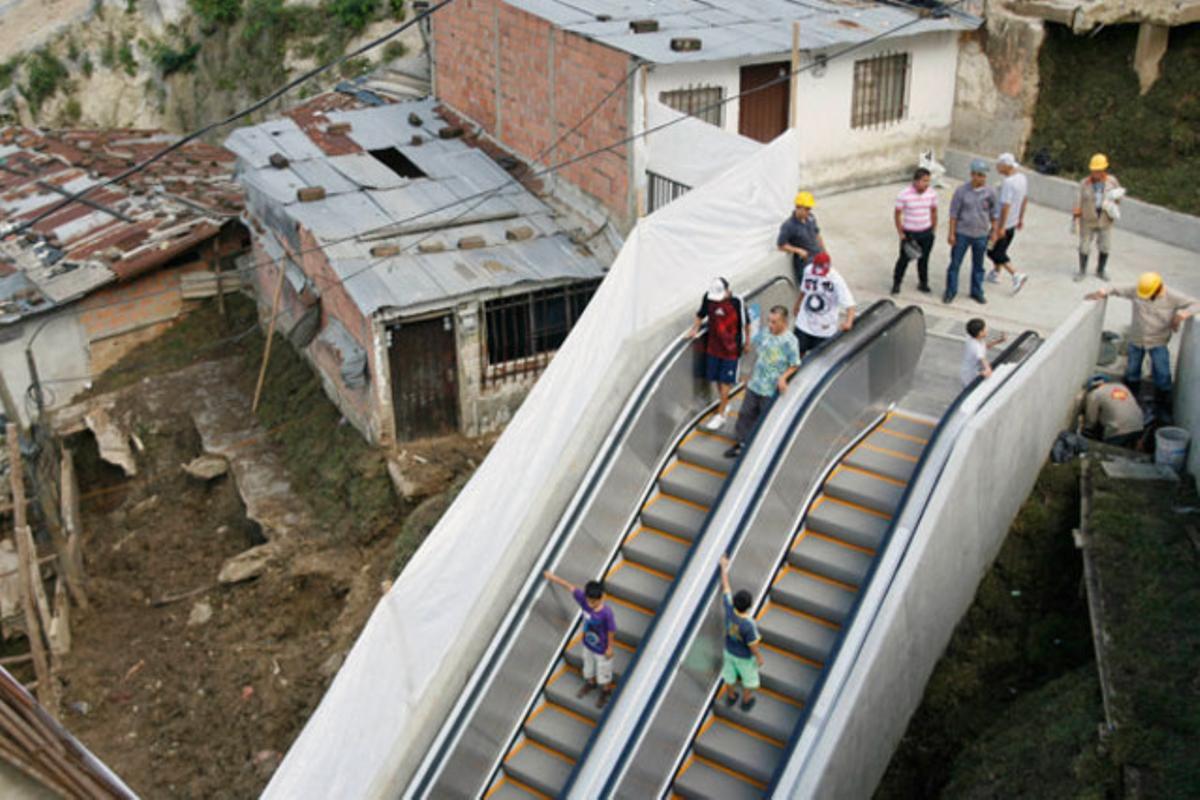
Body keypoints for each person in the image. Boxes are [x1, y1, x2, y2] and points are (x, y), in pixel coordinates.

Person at [1086, 272, 1195, 420]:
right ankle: (1131, 400)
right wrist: (1101, 292)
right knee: (1132, 371)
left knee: (1162, 374)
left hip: (1158, 342)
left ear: (1158, 289)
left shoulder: (1172, 296)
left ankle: (1161, 407)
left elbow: (1196, 303)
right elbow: (1114, 288)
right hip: (1136, 341)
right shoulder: (1137, 289)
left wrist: (1183, 314)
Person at [724, 306, 800, 459]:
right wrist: (748, 374)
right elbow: (756, 352)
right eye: (769, 321)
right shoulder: (765, 333)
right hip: (755, 383)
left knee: (764, 418)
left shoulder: (790, 341)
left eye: (774, 322)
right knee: (745, 414)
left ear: (784, 322)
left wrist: (783, 377)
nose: (770, 325)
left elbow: (795, 363)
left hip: (771, 389)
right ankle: (741, 443)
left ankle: (761, 448)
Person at [542, 571, 617, 708]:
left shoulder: (606, 613)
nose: (590, 604)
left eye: (594, 602)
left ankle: (606, 690)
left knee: (603, 670)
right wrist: (553, 577)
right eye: (589, 601)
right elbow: (570, 587)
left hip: (602, 648)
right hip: (588, 644)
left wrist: (609, 647)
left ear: (602, 598)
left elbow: (611, 630)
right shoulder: (584, 600)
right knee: (588, 666)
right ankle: (591, 682)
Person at [687, 278, 749, 431]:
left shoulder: (736, 302)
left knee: (725, 381)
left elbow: (745, 322)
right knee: (716, 378)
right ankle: (724, 403)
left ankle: (721, 415)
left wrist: (747, 341)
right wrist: (695, 329)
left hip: (731, 349)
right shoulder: (708, 298)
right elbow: (700, 314)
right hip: (714, 347)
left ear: (728, 291)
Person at [944, 159, 999, 305]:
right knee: (955, 264)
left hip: (981, 235)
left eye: (983, 175)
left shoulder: (991, 192)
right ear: (972, 175)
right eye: (978, 175)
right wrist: (951, 233)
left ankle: (976, 291)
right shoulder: (961, 191)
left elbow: (994, 214)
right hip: (962, 233)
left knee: (978, 266)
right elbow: (954, 214)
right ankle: (950, 291)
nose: (980, 178)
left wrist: (994, 231)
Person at [718, 554, 763, 713]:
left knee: (728, 676)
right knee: (749, 680)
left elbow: (726, 587)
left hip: (729, 651)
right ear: (749, 606)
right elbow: (753, 645)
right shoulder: (748, 625)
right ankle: (746, 700)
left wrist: (723, 566)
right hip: (744, 657)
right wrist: (759, 658)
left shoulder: (729, 607)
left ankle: (731, 696)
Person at [794, 252, 856, 357]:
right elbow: (804, 289)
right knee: (797, 352)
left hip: (824, 328)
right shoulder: (808, 270)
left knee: (819, 359)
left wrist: (848, 322)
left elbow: (850, 303)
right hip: (804, 322)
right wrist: (797, 304)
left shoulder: (836, 279)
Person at [1073, 153, 1121, 281]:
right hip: (1088, 220)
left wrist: (1114, 206)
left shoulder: (1112, 181)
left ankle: (1100, 270)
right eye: (1094, 170)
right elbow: (1078, 200)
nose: (1096, 173)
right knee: (1084, 245)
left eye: (1098, 171)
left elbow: (1118, 197)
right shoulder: (1084, 183)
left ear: (1103, 170)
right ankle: (1082, 270)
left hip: (1105, 220)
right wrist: (1076, 215)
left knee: (1105, 246)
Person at [985, 152, 1029, 294]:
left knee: (993, 251)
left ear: (1005, 166)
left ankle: (1016, 274)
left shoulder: (1008, 183)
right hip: (1013, 222)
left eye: (999, 165)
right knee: (1001, 249)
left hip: (1003, 224)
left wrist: (999, 228)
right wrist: (1021, 218)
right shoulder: (1022, 178)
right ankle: (996, 273)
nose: (997, 168)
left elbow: (1005, 206)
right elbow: (1024, 199)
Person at [892, 167, 938, 295]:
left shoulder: (932, 193)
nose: (926, 184)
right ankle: (897, 283)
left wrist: (933, 229)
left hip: (926, 232)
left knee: (924, 260)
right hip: (910, 233)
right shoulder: (904, 195)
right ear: (916, 181)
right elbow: (897, 214)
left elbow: (934, 211)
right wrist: (901, 233)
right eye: (924, 181)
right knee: (904, 260)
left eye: (928, 181)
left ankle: (923, 283)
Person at [777, 191, 825, 283]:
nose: (809, 211)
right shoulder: (788, 226)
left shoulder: (811, 218)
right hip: (805, 264)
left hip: (818, 258)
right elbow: (781, 245)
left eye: (809, 209)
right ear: (798, 208)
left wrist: (824, 252)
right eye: (806, 209)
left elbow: (817, 234)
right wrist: (798, 250)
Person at [1083, 377, 1144, 448]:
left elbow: (1091, 418)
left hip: (1118, 430)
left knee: (1107, 452)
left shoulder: (1095, 393)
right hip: (1138, 426)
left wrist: (1087, 429)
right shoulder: (1121, 387)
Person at [959, 317, 1006, 387]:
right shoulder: (976, 348)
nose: (986, 330)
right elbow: (985, 363)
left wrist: (1000, 341)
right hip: (971, 376)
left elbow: (985, 347)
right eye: (985, 329)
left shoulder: (972, 337)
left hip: (969, 371)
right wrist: (987, 370)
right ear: (980, 333)